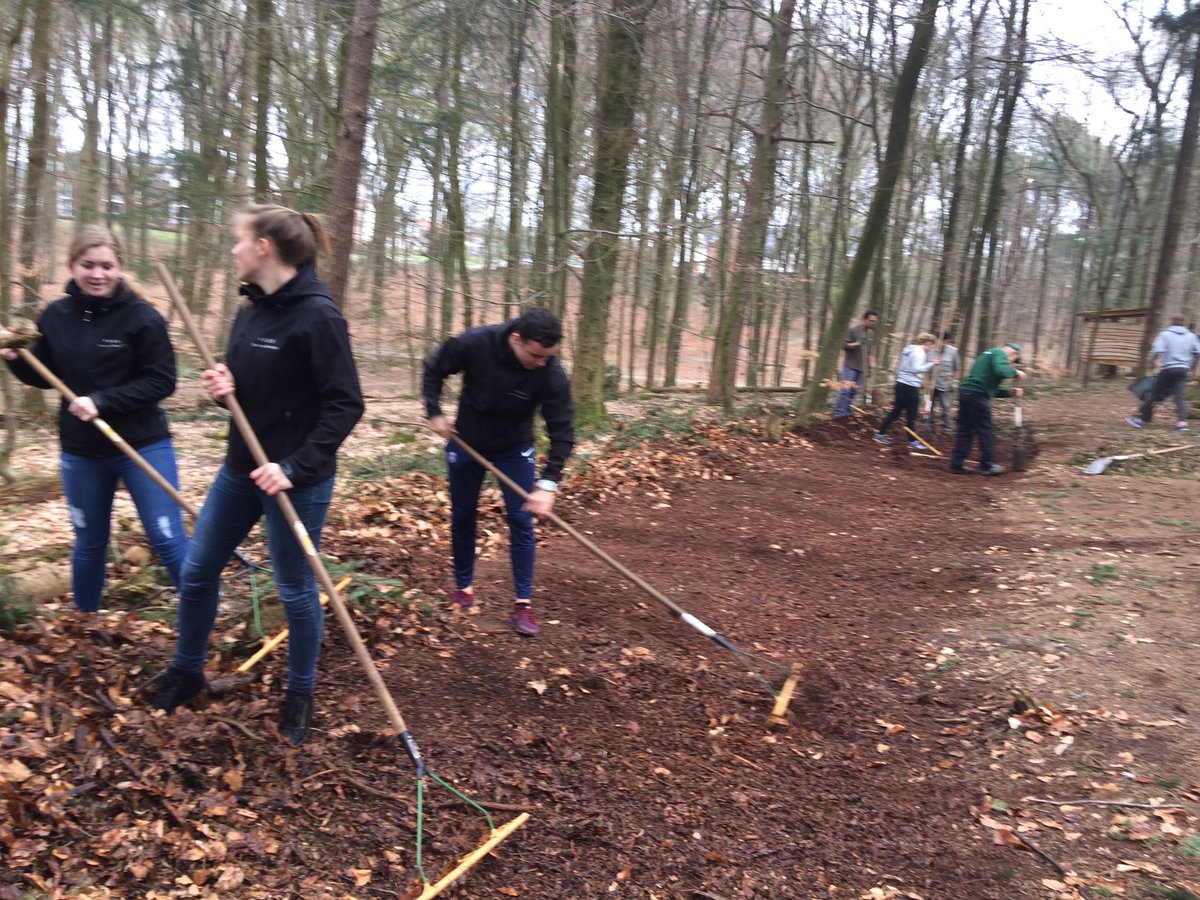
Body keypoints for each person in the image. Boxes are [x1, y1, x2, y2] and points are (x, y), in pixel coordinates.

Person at [151, 204, 364, 748]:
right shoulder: (250, 311)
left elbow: (345, 405)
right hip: (240, 469)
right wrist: (226, 390)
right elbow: (253, 394)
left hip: (299, 480)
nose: (233, 250)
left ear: (265, 247)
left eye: (239, 241)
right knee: (198, 572)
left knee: (294, 590)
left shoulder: (320, 318)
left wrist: (293, 467)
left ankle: (300, 694)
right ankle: (187, 671)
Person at [1, 225, 189, 612]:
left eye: (106, 265)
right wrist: (18, 360)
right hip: (81, 450)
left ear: (120, 267)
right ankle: (86, 620)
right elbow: (45, 374)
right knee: (89, 539)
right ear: (73, 265)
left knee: (166, 535)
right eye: (88, 265)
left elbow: (162, 380)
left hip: (143, 443)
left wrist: (102, 401)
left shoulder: (143, 317)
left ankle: (202, 611)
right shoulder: (55, 315)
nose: (97, 274)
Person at [422, 307, 575, 637]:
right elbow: (434, 368)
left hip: (514, 448)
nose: (542, 363)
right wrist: (433, 411)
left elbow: (562, 430)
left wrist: (548, 483)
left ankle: (523, 605)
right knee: (463, 515)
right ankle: (463, 589)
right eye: (536, 355)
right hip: (467, 443)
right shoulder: (476, 343)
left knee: (521, 519)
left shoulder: (550, 373)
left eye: (549, 357)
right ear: (516, 339)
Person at [948, 342, 1025, 476]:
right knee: (986, 431)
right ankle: (987, 466)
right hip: (977, 396)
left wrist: (1010, 393)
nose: (1010, 363)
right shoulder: (1000, 353)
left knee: (965, 430)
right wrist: (1016, 372)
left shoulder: (988, 355)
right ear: (1013, 353)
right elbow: (1001, 370)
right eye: (1013, 361)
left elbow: (989, 389)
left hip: (966, 392)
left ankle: (956, 464)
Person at [1126, 314, 1200, 433]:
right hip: (1183, 370)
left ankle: (1140, 420)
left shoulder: (1165, 334)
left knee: (1153, 394)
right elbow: (1197, 352)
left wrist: (1152, 362)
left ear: (1172, 322)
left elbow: (1157, 350)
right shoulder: (1191, 336)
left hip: (1168, 369)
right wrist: (1190, 363)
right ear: (1183, 323)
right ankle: (1182, 424)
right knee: (1179, 397)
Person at [873, 333, 938, 448]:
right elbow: (915, 369)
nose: (931, 349)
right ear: (928, 344)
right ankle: (912, 441)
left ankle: (880, 434)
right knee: (912, 415)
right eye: (931, 346)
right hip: (910, 387)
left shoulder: (910, 350)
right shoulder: (919, 353)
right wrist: (931, 364)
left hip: (901, 384)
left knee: (896, 412)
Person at [832, 310, 879, 417]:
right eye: (871, 321)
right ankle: (839, 413)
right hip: (850, 365)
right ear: (864, 319)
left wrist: (871, 362)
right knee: (845, 390)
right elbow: (844, 346)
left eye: (875, 321)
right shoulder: (853, 330)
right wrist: (857, 344)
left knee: (855, 391)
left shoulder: (871, 333)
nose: (873, 323)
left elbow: (869, 351)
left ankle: (848, 412)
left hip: (862, 368)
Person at [926, 330, 959, 437]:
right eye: (938, 341)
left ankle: (947, 429)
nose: (940, 343)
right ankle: (929, 426)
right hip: (931, 384)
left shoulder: (953, 351)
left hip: (945, 384)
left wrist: (954, 382)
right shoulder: (930, 350)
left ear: (947, 341)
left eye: (943, 341)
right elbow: (926, 366)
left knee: (946, 407)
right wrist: (926, 382)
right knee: (928, 405)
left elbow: (957, 369)